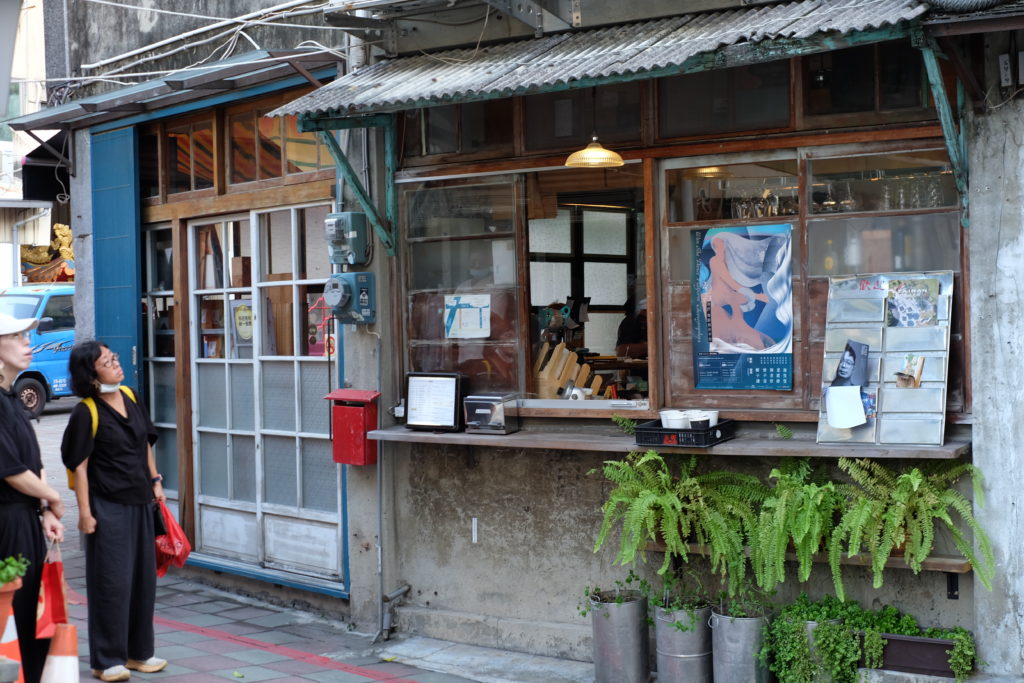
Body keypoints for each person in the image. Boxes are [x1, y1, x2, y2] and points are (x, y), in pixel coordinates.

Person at [60, 341, 167, 682]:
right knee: (111, 583)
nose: (116, 364)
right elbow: (79, 466)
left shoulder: (131, 396)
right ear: (91, 376)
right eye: (107, 362)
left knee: (142, 582)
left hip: (140, 502)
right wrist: (85, 513)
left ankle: (139, 653)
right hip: (107, 507)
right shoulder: (86, 412)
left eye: (114, 358)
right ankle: (106, 660)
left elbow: (144, 442)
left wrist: (155, 480)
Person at [0, 312, 65, 683]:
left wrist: (45, 508)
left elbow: (33, 462)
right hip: (6, 522)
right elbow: (10, 469)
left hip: (25, 518)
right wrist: (53, 496)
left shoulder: (12, 398)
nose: (29, 343)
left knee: (31, 614)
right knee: (13, 613)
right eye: (18, 337)